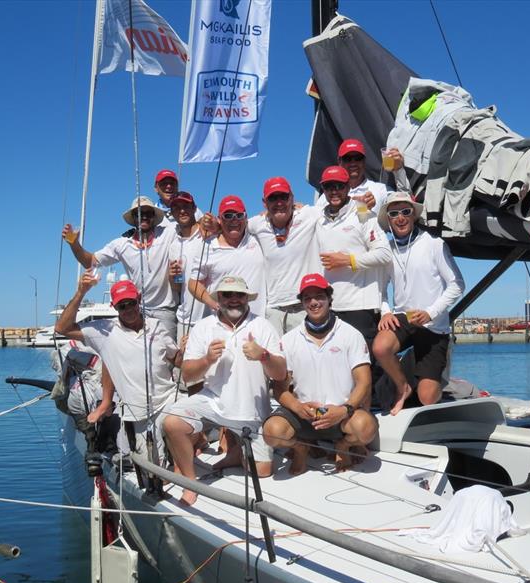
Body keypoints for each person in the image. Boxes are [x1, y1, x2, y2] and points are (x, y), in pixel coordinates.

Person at [163, 276, 286, 506]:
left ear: (247, 298)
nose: (233, 300)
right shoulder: (203, 327)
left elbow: (280, 374)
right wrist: (207, 359)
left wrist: (264, 356)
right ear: (218, 298)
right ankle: (191, 482)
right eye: (227, 295)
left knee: (262, 471)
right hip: (213, 404)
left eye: (239, 295)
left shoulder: (262, 326)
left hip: (253, 412)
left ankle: (236, 453)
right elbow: (188, 374)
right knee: (172, 422)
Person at [55, 275, 183, 465]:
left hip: (169, 400)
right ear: (115, 308)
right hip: (139, 413)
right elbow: (62, 327)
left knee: (184, 426)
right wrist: (81, 291)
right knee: (155, 466)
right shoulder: (104, 331)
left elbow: (177, 359)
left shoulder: (157, 326)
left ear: (138, 300)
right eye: (122, 306)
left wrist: (188, 351)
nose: (129, 309)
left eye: (131, 303)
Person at [263, 273, 378, 474]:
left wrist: (344, 410)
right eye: (307, 298)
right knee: (272, 433)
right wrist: (298, 408)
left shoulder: (351, 334)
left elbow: (364, 382)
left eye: (319, 296)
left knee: (367, 429)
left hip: (341, 413)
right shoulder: (289, 340)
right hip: (305, 414)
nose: (314, 302)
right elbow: (279, 388)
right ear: (302, 303)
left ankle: (343, 445)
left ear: (329, 299)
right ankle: (301, 448)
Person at [372, 192, 465, 414]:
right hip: (405, 317)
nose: (400, 217)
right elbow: (381, 290)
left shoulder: (434, 244)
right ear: (389, 220)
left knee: (427, 397)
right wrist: (385, 312)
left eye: (406, 212)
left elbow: (458, 284)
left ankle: (432, 382)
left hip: (433, 325)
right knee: (380, 348)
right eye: (394, 214)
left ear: (414, 215)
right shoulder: (387, 250)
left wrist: (431, 313)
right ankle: (402, 387)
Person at [62, 196, 179, 339]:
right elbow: (90, 261)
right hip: (138, 311)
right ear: (134, 218)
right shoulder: (121, 244)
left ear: (154, 217)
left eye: (148, 213)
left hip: (165, 310)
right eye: (139, 214)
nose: (144, 217)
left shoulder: (168, 233)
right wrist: (74, 244)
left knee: (168, 357)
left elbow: (190, 224)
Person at [316, 165, 391, 368]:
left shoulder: (362, 212)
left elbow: (384, 253)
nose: (334, 191)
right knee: (336, 367)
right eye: (328, 186)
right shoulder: (317, 217)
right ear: (323, 189)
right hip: (331, 307)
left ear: (348, 186)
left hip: (361, 306)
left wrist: (348, 261)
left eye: (339, 186)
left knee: (363, 367)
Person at [248, 176, 322, 334]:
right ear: (264, 203)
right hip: (273, 311)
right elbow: (229, 225)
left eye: (283, 196)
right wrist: (207, 224)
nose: (279, 202)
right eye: (273, 198)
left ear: (292, 198)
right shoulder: (256, 224)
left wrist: (366, 201)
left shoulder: (308, 214)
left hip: (304, 307)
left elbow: (339, 204)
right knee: (274, 358)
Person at [188, 195, 267, 317]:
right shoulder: (207, 246)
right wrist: (213, 303)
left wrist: (295, 206)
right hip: (222, 322)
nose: (234, 220)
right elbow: (194, 283)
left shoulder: (257, 237)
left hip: (257, 321)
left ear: (246, 218)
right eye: (228, 216)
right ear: (219, 219)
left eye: (239, 215)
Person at [167, 191, 208, 341]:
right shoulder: (174, 246)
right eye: (177, 208)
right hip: (185, 320)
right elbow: (178, 287)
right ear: (172, 213)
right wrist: (172, 277)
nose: (182, 210)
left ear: (194, 208)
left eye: (186, 206)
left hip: (213, 317)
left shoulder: (209, 233)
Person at [316, 139, 390, 216]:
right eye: (347, 158)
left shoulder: (382, 190)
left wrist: (399, 170)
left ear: (364, 161)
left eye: (358, 158)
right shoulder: (326, 197)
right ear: (339, 161)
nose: (353, 163)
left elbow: (401, 209)